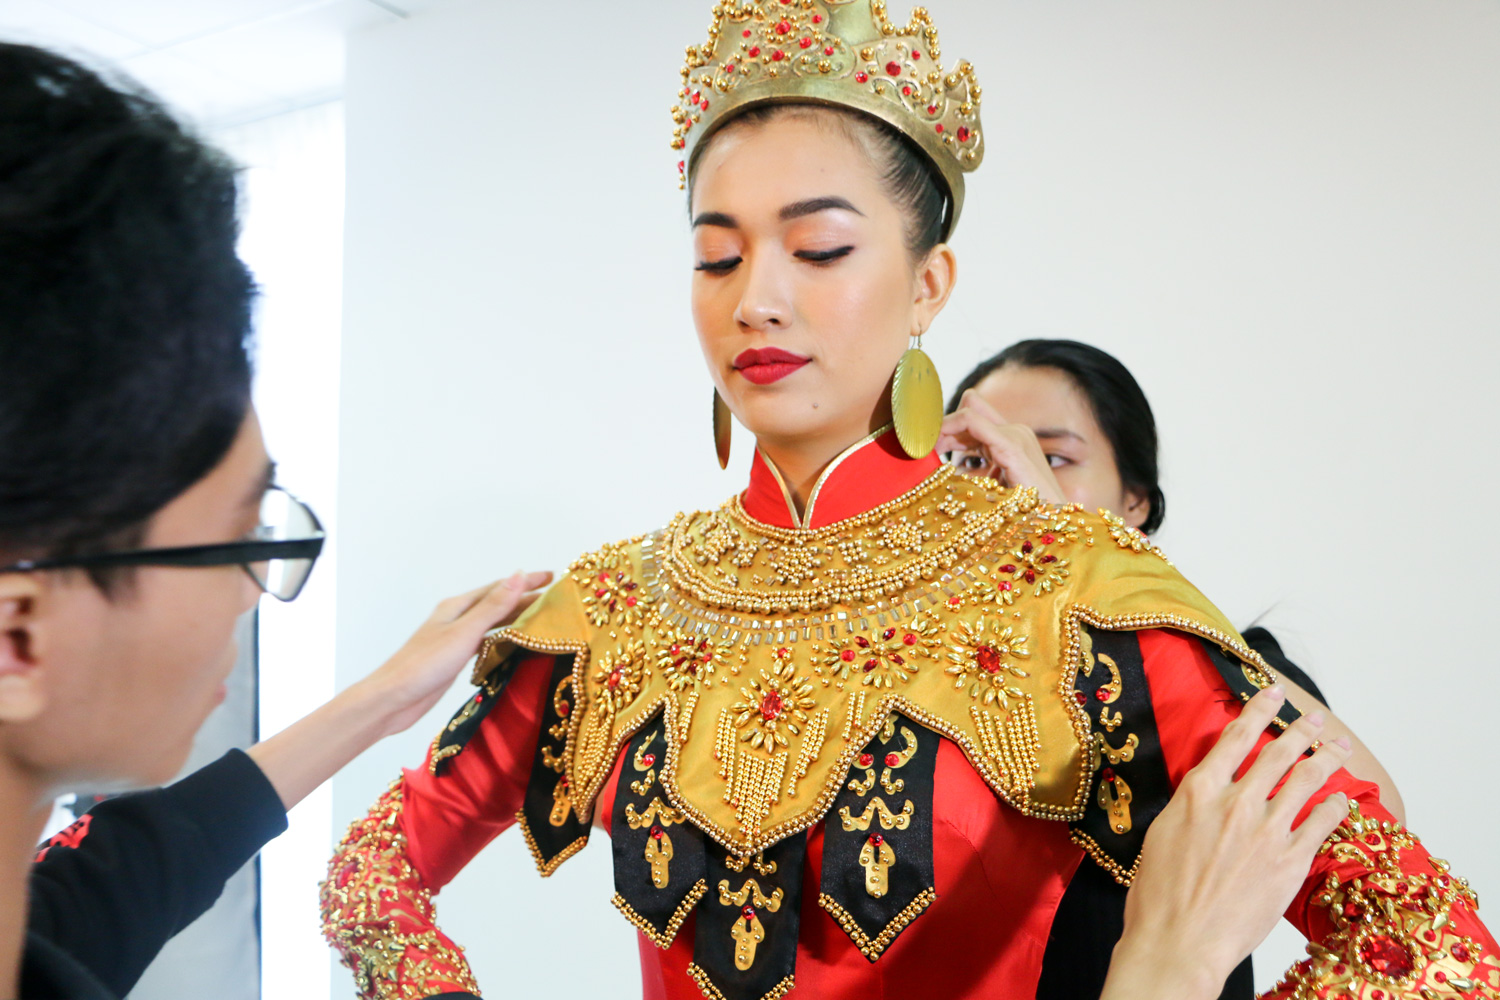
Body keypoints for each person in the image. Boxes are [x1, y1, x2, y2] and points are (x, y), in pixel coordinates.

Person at [322, 2, 1496, 1000]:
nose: (756, 299)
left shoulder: (1078, 592)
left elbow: (1431, 947)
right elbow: (370, 880)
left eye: (820, 250)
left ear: (928, 283)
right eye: (718, 257)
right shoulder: (615, 607)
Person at [0, 43, 551, 999]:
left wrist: (387, 696)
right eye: (237, 540)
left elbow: (148, 858)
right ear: (18, 634)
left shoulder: (49, 926)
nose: (249, 599)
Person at [938, 338, 1406, 822]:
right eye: (973, 460)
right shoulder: (920, 685)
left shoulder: (1225, 668)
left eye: (1052, 458)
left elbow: (1374, 819)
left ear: (1136, 500)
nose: (1008, 478)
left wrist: (1070, 537)